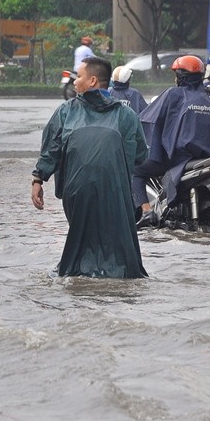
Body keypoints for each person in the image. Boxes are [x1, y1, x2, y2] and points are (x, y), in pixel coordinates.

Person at [31, 56, 149, 278]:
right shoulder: (127, 115)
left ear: (93, 81)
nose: (75, 82)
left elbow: (51, 149)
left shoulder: (66, 112)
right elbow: (141, 155)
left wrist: (38, 179)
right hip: (116, 194)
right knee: (115, 248)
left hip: (77, 193)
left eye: (79, 76)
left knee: (81, 241)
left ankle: (80, 276)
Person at [133, 55, 210, 227]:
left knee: (135, 171)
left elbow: (148, 119)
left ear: (180, 77)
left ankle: (146, 211)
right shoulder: (209, 101)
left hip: (180, 159)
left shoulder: (173, 94)